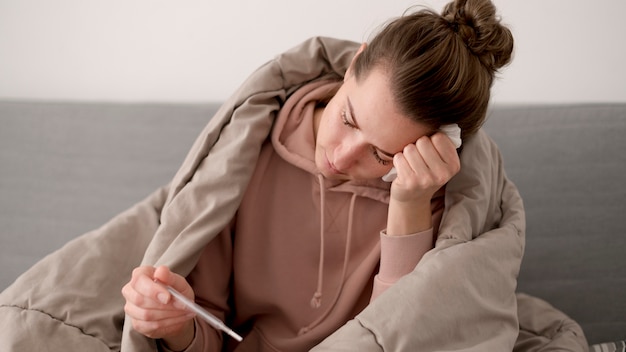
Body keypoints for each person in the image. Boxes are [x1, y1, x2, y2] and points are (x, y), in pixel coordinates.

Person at [121, 0, 517, 351]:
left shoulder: (435, 201)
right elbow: (209, 334)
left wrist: (408, 207)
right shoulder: (249, 154)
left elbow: (399, 337)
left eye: (381, 155)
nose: (342, 158)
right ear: (352, 65)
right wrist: (176, 327)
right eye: (347, 118)